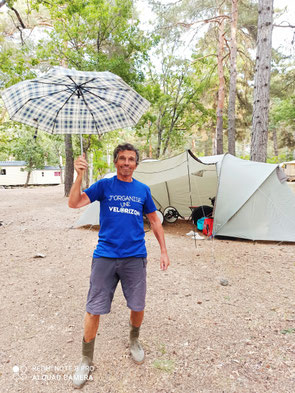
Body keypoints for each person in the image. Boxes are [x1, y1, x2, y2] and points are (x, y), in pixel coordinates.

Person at [68, 143, 170, 388]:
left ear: (136, 164)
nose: (126, 163)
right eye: (122, 158)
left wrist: (164, 251)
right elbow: (74, 203)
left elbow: (155, 221)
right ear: (116, 162)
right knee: (93, 308)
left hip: (135, 256)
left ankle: (134, 339)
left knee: (138, 304)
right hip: (105, 255)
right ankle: (86, 359)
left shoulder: (143, 190)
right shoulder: (105, 186)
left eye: (131, 159)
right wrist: (79, 175)